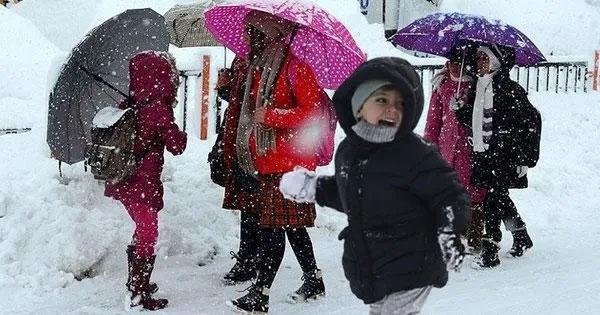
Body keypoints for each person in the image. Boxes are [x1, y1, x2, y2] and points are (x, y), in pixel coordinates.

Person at [280, 57, 470, 314]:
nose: (392, 110)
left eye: (399, 104)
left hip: (413, 260)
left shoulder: (414, 154)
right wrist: (314, 188)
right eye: (382, 100)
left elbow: (449, 194)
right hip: (375, 261)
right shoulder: (349, 150)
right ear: (358, 105)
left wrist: (450, 229)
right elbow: (353, 194)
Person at [225, 11, 326, 314]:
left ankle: (260, 293)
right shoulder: (261, 68)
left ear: (269, 34)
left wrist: (271, 117)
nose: (246, 40)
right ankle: (313, 279)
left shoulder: (297, 68)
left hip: (292, 165)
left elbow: (312, 115)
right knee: (291, 227)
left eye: (252, 34)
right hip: (271, 161)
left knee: (271, 228)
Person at [104, 51, 187, 310]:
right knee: (148, 234)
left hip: (124, 179)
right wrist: (178, 133)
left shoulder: (129, 104)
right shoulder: (157, 109)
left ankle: (136, 284)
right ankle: (138, 293)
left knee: (142, 230)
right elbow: (177, 146)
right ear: (163, 76)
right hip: (142, 182)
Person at [453, 44, 541, 268]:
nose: (479, 61)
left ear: (496, 62)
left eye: (484, 58)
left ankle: (490, 248)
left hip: (504, 154)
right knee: (499, 197)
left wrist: (525, 158)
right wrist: (459, 110)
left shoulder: (510, 90)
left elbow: (530, 122)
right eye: (479, 57)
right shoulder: (477, 88)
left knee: (493, 199)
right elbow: (474, 121)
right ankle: (520, 234)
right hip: (482, 154)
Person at [424, 41, 487, 251]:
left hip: (471, 149)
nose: (453, 66)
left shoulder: (478, 86)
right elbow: (433, 122)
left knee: (474, 192)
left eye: (458, 62)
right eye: (450, 61)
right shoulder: (441, 85)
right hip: (446, 149)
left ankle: (475, 233)